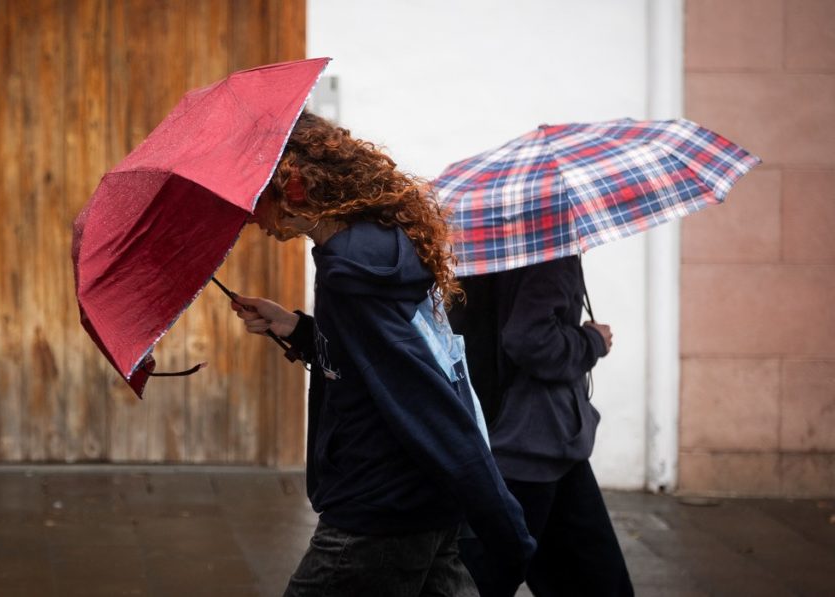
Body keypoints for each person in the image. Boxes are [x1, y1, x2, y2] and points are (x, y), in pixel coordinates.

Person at [230, 111, 535, 597]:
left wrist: (506, 527)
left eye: (254, 198)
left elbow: (426, 397)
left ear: (294, 189)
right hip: (420, 502)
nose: (249, 217)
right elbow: (378, 360)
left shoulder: (352, 272)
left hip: (378, 516)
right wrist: (298, 329)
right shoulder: (366, 247)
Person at [448, 257, 634, 596]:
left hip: (521, 438)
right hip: (531, 443)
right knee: (482, 579)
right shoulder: (547, 254)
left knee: (592, 578)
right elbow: (528, 338)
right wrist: (591, 341)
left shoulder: (487, 249)